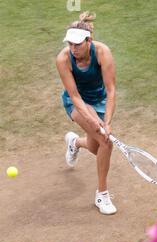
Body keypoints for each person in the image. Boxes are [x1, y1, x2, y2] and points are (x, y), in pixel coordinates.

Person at [56, 11, 117, 215]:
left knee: (96, 145)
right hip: (76, 103)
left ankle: (75, 143)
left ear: (89, 41)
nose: (73, 49)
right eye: (69, 44)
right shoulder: (63, 59)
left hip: (99, 100)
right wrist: (94, 121)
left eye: (77, 44)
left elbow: (111, 90)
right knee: (106, 143)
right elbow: (74, 96)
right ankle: (102, 195)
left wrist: (106, 122)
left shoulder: (102, 52)